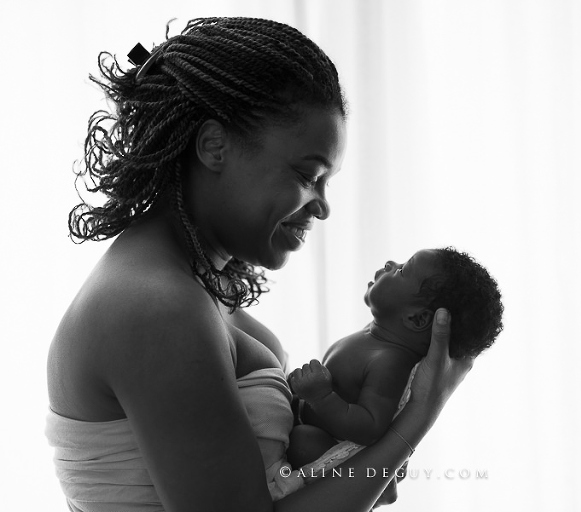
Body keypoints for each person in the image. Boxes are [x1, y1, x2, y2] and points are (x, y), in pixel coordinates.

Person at [45, 17, 473, 512]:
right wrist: (416, 419)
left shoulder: (195, 285)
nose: (322, 206)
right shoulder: (157, 309)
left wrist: (356, 471)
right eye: (308, 175)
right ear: (213, 146)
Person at [286, 247, 504, 474]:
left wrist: (321, 397)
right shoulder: (376, 335)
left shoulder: (390, 362)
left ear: (417, 318)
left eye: (401, 271)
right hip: (307, 414)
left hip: (329, 447)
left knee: (302, 441)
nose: (390, 263)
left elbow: (369, 427)